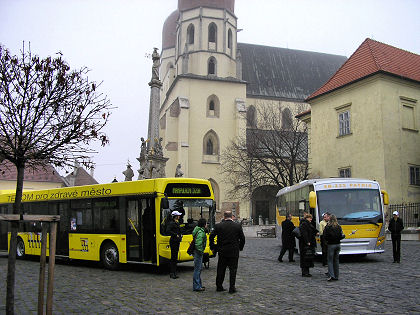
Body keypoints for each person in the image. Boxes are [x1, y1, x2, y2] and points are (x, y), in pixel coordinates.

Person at [210, 210, 245, 293]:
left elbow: (211, 236)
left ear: (224, 216)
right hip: (233, 251)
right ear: (232, 216)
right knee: (233, 270)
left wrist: (214, 246)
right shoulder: (237, 226)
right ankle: (232, 287)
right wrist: (240, 247)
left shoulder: (219, 226)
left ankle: (219, 286)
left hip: (222, 251)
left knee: (221, 269)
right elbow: (242, 239)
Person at [324, 214, 344, 281]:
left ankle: (331, 275)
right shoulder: (339, 227)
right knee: (336, 260)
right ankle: (336, 275)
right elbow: (341, 235)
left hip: (331, 244)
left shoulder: (328, 227)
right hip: (338, 244)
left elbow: (325, 236)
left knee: (330, 261)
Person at [166, 210, 183, 279]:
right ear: (175, 216)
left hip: (177, 241)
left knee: (175, 257)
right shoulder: (172, 223)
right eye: (178, 215)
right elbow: (168, 231)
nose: (179, 216)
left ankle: (174, 272)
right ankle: (172, 272)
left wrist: (180, 234)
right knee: (173, 257)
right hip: (173, 241)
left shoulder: (177, 222)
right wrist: (175, 235)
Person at [192, 218, 207, 292]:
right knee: (197, 269)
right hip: (198, 252)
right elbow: (198, 244)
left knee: (198, 268)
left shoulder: (197, 230)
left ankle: (198, 284)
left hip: (196, 252)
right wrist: (201, 251)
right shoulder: (201, 232)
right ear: (204, 225)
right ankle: (197, 286)